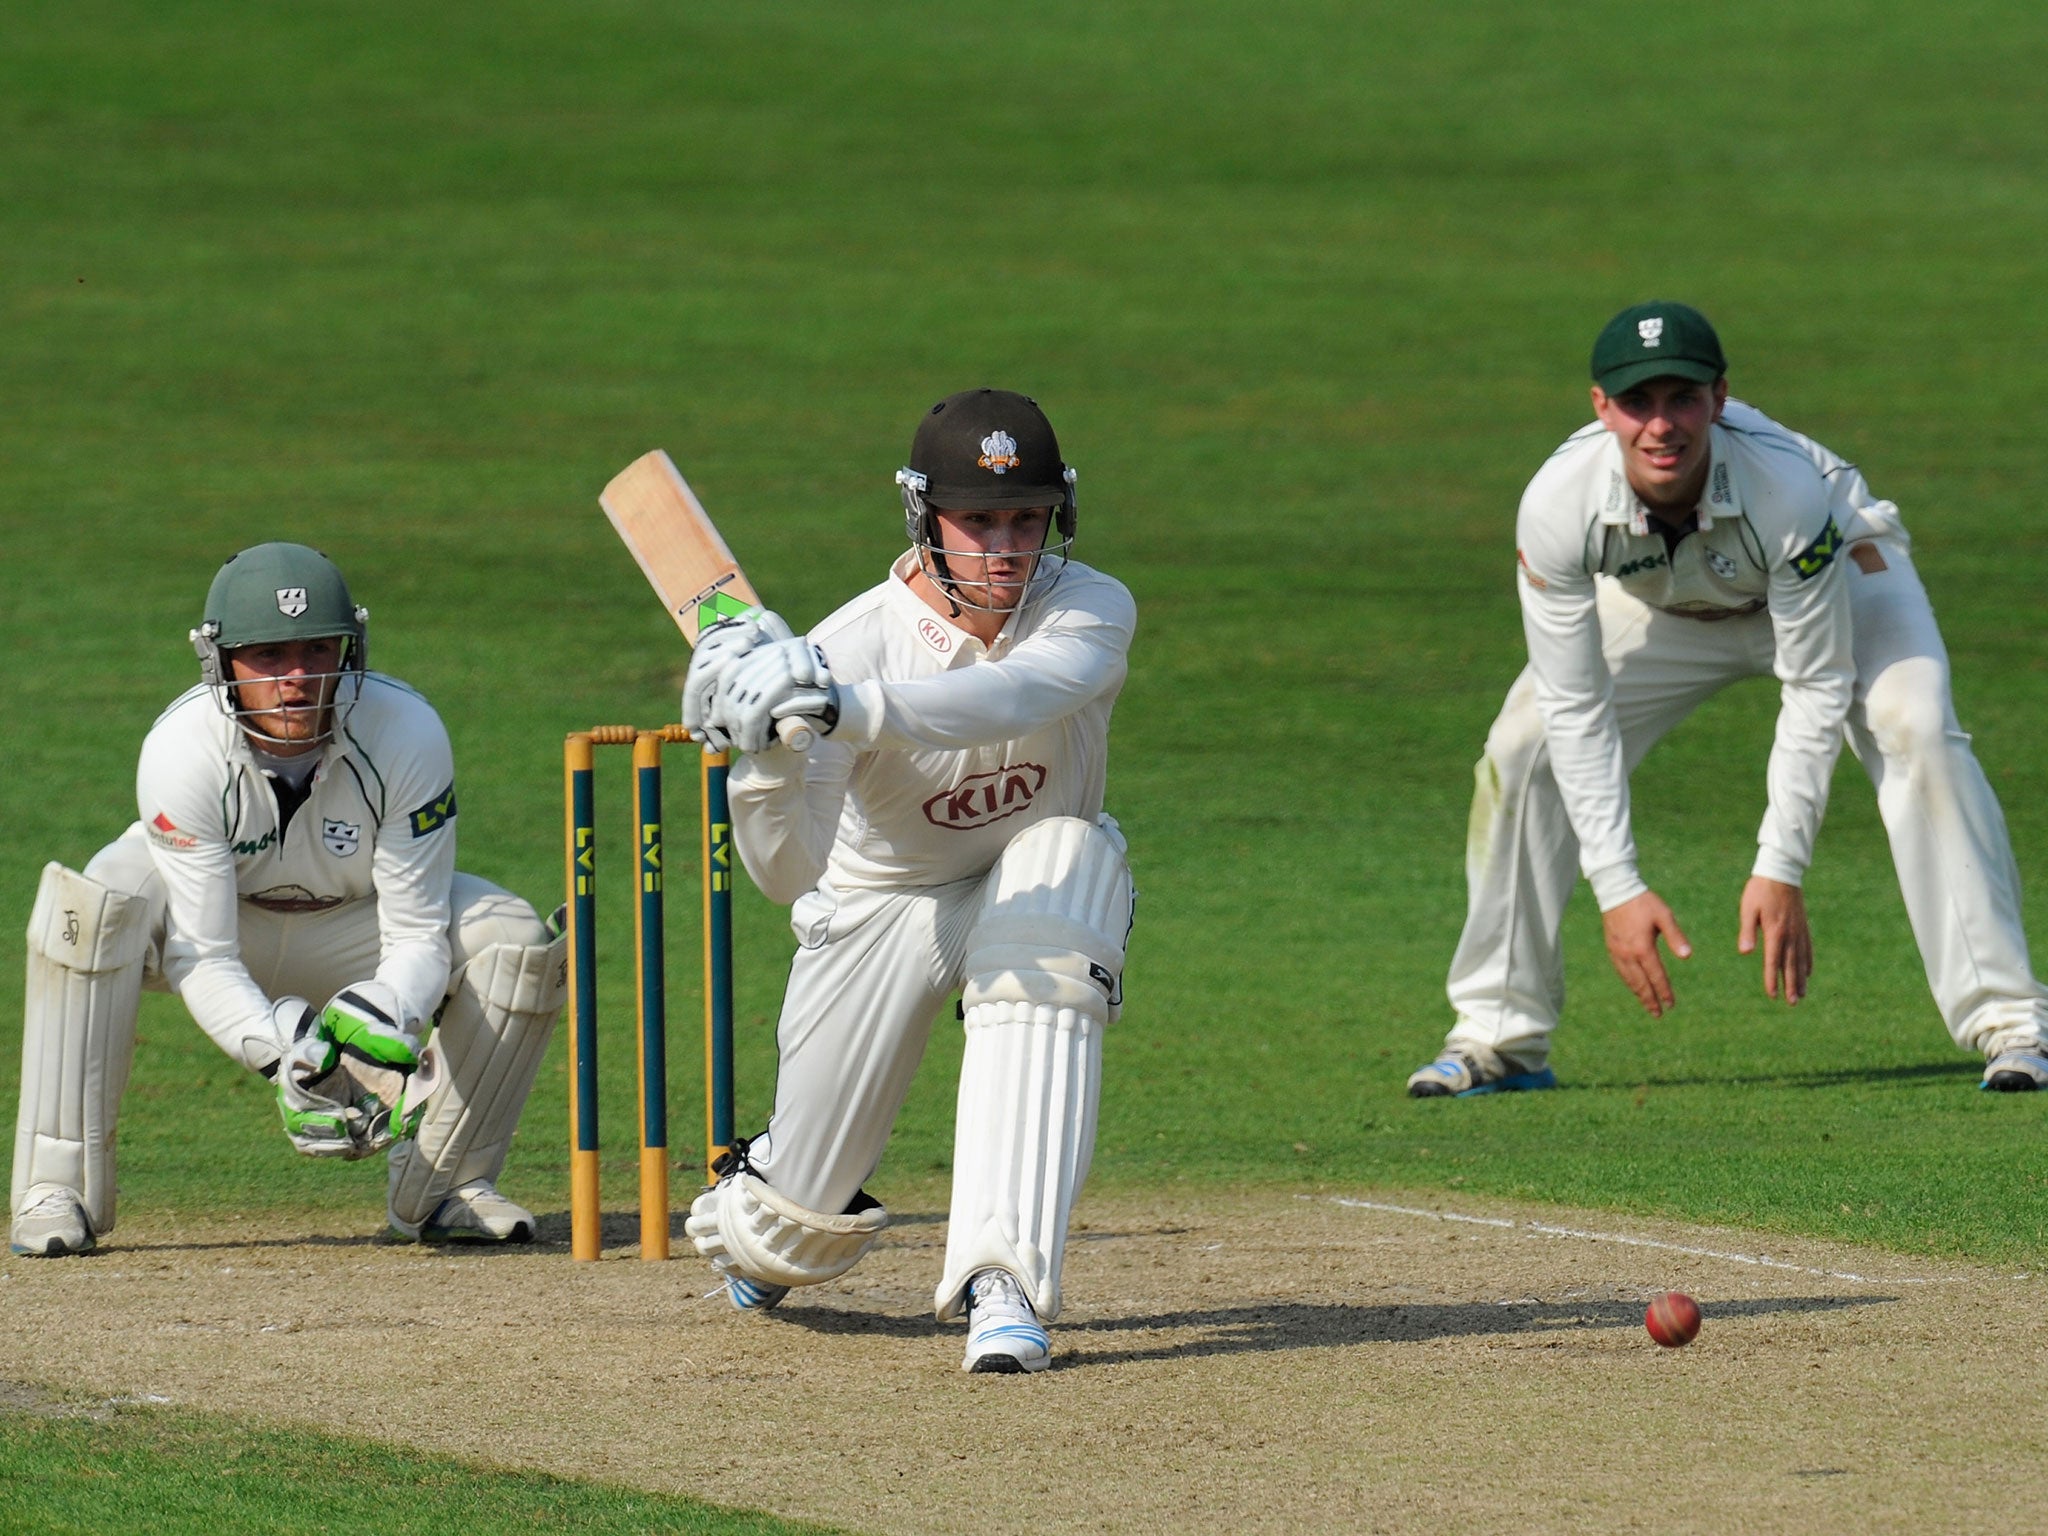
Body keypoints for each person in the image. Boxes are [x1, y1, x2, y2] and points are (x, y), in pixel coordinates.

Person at [677, 388, 1136, 1374]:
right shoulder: (850, 643)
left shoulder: (1088, 608)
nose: (1005, 547)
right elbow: (784, 871)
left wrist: (839, 706)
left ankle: (1002, 1283)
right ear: (923, 516)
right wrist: (756, 757)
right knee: (787, 1232)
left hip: (1030, 877)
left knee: (1065, 874)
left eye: (1026, 518)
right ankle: (756, 1205)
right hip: (879, 907)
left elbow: (1005, 696)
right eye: (978, 521)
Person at [10, 542, 566, 1256]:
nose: (297, 679)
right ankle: (58, 1188)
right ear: (220, 663)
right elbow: (201, 954)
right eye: (267, 655)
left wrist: (379, 1024)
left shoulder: (408, 733)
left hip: (353, 922)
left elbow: (418, 936)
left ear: (351, 647)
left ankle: (447, 1186)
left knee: (514, 942)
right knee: (89, 907)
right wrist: (292, 1056)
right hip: (215, 924)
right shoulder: (182, 749)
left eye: (316, 650)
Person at [1409, 302, 1858, 1097]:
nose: (1660, 425)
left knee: (1916, 726)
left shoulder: (1788, 486)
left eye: (1681, 398)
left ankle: (2014, 1022)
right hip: (1663, 605)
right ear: (1600, 407)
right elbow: (1574, 704)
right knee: (1524, 747)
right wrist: (1616, 886)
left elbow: (1818, 682)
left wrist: (1781, 862)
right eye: (1636, 403)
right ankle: (1499, 1037)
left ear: (1719, 399)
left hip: (1821, 582)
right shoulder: (1558, 500)